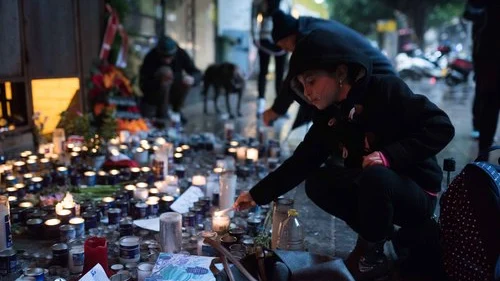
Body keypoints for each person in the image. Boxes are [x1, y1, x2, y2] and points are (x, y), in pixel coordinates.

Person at [233, 30, 455, 280]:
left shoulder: (385, 89)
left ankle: (372, 256)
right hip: (375, 191)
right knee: (318, 182)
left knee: (376, 177)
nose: (306, 92)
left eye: (312, 81)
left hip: (415, 192)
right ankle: (381, 240)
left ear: (340, 73)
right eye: (301, 85)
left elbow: (440, 127)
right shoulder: (330, 116)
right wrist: (256, 195)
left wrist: (389, 156)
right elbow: (301, 162)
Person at [263, 10, 397, 128]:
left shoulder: (309, 37)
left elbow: (292, 77)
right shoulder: (310, 25)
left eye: (285, 47)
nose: (288, 51)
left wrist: (276, 110)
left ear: (288, 36)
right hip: (377, 72)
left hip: (378, 75)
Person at [463, 0, 500, 160]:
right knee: (488, 105)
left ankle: (483, 153)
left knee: (488, 105)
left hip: (488, 58)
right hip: (489, 59)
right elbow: (471, 11)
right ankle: (483, 153)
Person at [139, 35, 202, 124]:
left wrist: (192, 78)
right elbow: (143, 82)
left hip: (175, 91)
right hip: (155, 93)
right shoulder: (151, 57)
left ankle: (176, 111)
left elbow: (196, 72)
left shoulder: (181, 54)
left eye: (169, 56)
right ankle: (162, 113)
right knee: (165, 72)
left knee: (186, 80)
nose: (167, 60)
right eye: (164, 57)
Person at [251, 0, 292, 116]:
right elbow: (254, 19)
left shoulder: (286, 3)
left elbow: (289, 21)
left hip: (282, 40)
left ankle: (279, 108)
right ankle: (260, 105)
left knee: (280, 74)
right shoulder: (259, 2)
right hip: (265, 39)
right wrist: (254, 36)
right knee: (263, 72)